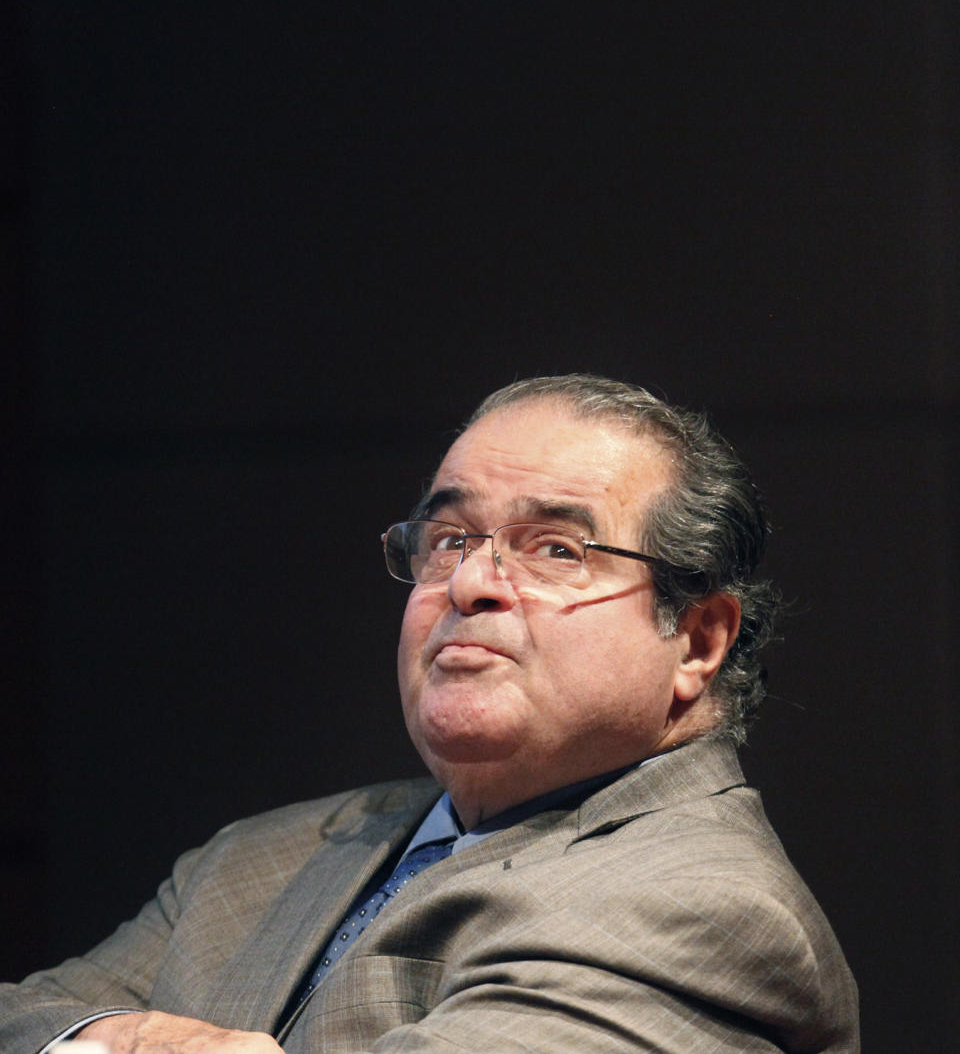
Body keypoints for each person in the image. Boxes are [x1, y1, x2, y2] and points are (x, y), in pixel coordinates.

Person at [0, 374, 859, 1052]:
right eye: (449, 541)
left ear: (699, 639)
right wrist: (110, 1037)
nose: (472, 583)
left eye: (556, 548)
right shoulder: (258, 857)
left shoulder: (704, 910)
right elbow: (24, 1013)